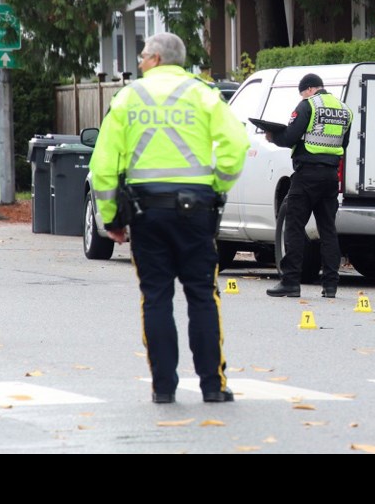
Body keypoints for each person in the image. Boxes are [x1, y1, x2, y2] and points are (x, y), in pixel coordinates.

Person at [89, 32, 249, 405]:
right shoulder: (203, 94)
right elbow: (236, 144)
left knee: (156, 297)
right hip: (197, 211)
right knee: (202, 297)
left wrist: (111, 217)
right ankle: (212, 385)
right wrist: (217, 187)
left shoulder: (128, 97)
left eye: (143, 55)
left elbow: (103, 166)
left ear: (157, 59)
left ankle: (163, 388)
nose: (140, 62)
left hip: (146, 213)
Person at [265, 73, 353, 299]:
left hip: (307, 176)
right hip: (331, 176)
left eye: (302, 93)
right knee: (328, 230)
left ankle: (291, 282)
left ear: (309, 89)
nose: (302, 96)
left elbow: (291, 137)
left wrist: (273, 136)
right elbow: (344, 143)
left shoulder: (308, 105)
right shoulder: (345, 110)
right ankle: (331, 285)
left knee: (293, 226)